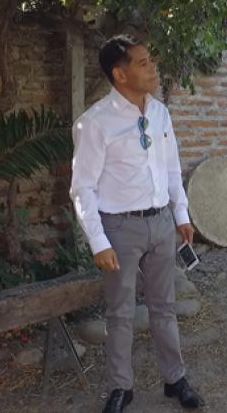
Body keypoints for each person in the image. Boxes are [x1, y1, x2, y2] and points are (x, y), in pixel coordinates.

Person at [70, 34, 205, 411]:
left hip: (161, 223)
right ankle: (120, 388)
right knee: (120, 312)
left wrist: (181, 215)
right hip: (120, 229)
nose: (152, 68)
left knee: (165, 306)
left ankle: (175, 378)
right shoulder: (94, 124)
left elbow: (171, 167)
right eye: (143, 63)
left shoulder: (160, 112)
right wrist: (99, 241)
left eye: (151, 61)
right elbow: (82, 188)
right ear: (120, 73)